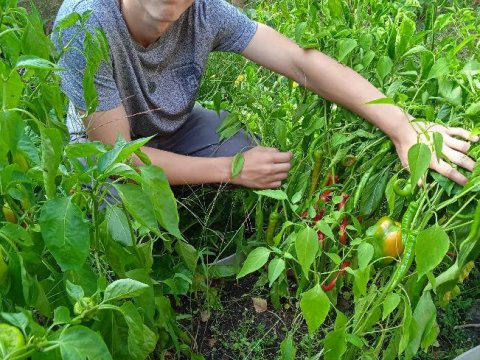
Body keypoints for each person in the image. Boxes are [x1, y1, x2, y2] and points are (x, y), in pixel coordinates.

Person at [53, 0, 478, 189]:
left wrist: (401, 126)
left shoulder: (205, 11)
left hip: (171, 126)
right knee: (112, 200)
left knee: (251, 150)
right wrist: (230, 170)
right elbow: (121, 157)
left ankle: (186, 182)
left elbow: (300, 62)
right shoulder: (85, 26)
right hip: (104, 150)